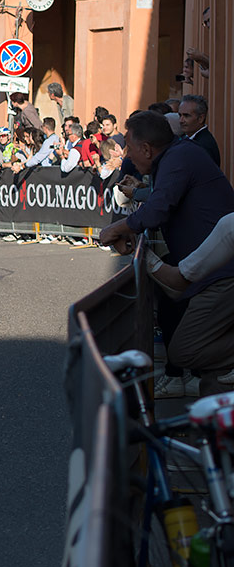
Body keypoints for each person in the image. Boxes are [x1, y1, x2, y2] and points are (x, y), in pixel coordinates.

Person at [98, 111, 234, 397]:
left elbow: (159, 207)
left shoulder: (179, 157)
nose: (129, 158)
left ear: (147, 148)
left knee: (185, 351)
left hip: (221, 275)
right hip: (208, 271)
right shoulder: (175, 156)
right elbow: (159, 205)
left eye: (131, 150)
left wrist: (115, 230)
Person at [180, 94, 221, 167]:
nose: (181, 120)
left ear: (200, 118)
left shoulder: (203, 145)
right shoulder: (186, 137)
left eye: (186, 116)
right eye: (180, 115)